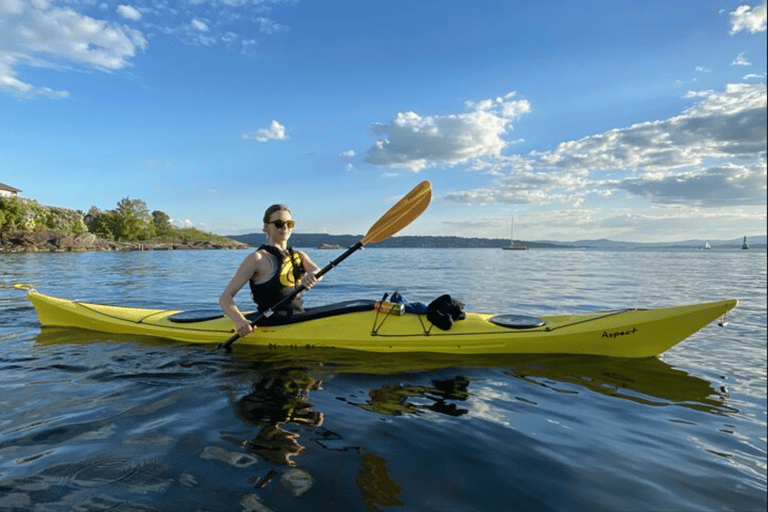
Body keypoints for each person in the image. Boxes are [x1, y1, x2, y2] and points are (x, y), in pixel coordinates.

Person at [219, 204, 321, 337]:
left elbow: (318, 271)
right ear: (266, 227)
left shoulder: (299, 256)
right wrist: (239, 320)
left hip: (297, 317)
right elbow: (225, 298)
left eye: (289, 224)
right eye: (279, 224)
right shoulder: (257, 258)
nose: (285, 228)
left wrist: (313, 275)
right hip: (270, 322)